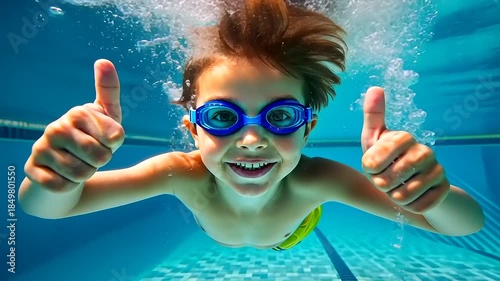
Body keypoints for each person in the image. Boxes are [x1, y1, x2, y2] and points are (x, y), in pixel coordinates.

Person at [19, 0, 484, 251]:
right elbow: (46, 209)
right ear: (192, 129)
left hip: (292, 232)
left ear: (307, 129)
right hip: (217, 229)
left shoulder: (318, 180)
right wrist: (57, 179)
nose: (252, 138)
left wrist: (433, 197)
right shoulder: (181, 172)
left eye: (281, 116)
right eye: (222, 117)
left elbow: (464, 225)